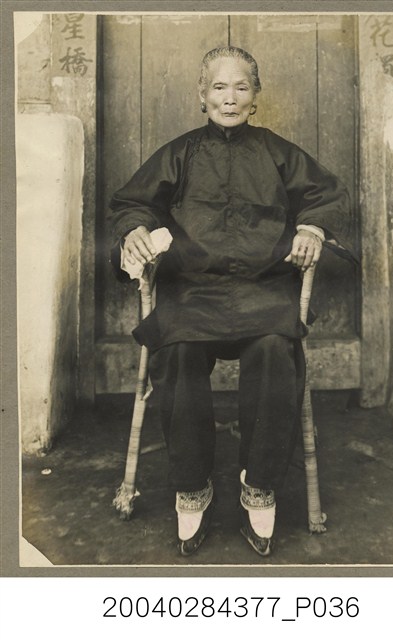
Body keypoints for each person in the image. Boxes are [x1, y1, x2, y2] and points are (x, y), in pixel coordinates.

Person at [109, 46, 354, 557]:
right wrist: (135, 230)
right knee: (176, 351)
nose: (230, 98)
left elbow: (326, 195)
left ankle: (259, 483)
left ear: (255, 96)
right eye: (219, 87)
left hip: (264, 289)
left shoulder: (278, 153)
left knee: (275, 349)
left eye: (241, 87)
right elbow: (133, 202)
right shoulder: (179, 153)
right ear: (202, 96)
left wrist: (311, 227)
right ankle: (192, 485)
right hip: (191, 291)